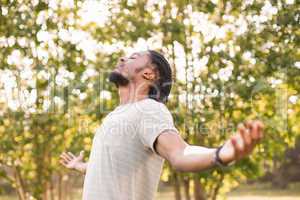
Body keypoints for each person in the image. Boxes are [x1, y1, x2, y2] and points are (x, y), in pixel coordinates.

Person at [59, 50, 264, 200]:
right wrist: (80, 166)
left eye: (133, 58)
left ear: (149, 74)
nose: (122, 58)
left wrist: (219, 154)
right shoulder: (117, 115)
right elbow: (111, 167)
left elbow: (180, 152)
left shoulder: (149, 109)